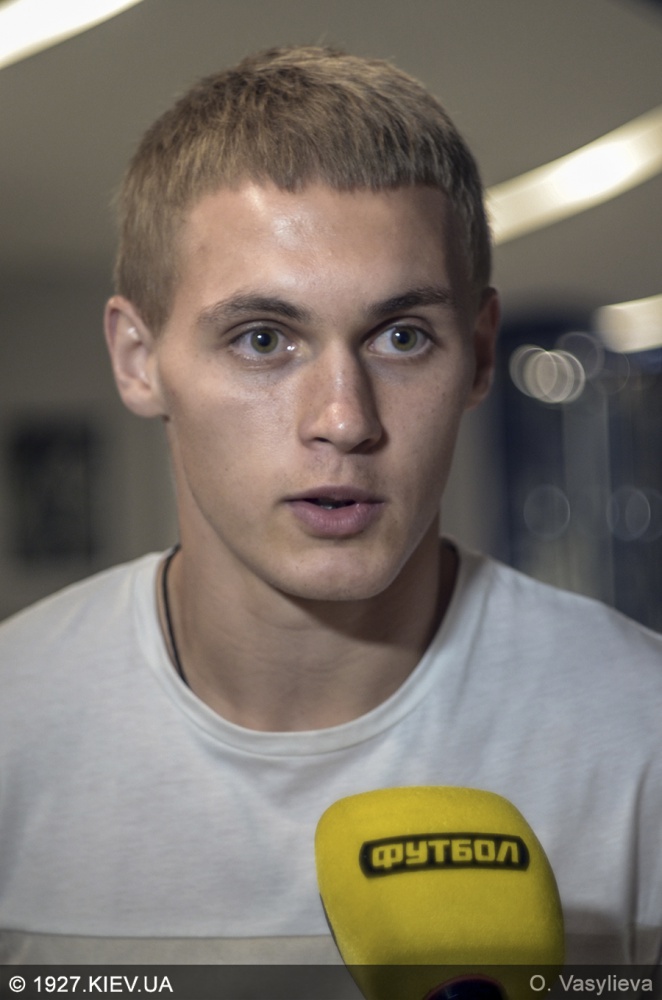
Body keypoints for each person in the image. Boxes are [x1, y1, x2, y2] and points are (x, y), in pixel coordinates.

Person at [0, 45, 660, 969]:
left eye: (402, 337)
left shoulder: (642, 731)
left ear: (477, 355)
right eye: (262, 339)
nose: (345, 421)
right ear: (138, 361)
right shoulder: (14, 721)